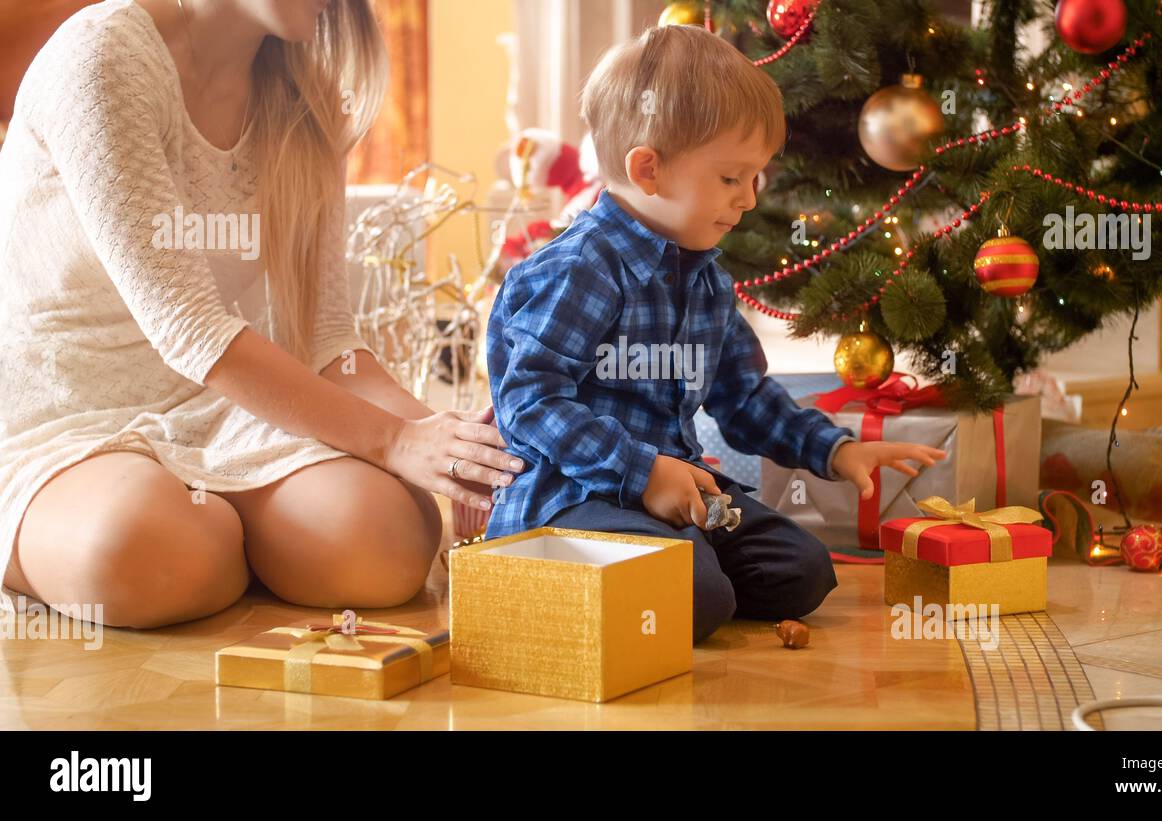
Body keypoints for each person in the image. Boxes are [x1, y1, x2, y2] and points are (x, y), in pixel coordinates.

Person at [0, 0, 521, 628]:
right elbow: (192, 331)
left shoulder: (307, 98)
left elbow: (329, 343)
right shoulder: (102, 56)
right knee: (147, 546)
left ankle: (216, 545)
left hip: (221, 409)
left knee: (387, 542)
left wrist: (457, 445)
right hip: (64, 419)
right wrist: (393, 442)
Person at [485, 24, 946, 643]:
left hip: (677, 490)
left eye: (757, 178)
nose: (749, 200)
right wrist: (642, 472)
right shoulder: (577, 269)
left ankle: (670, 571)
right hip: (574, 494)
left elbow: (745, 398)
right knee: (698, 593)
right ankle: (545, 581)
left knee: (802, 572)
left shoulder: (707, 280)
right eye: (732, 178)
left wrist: (834, 450)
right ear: (648, 169)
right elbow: (529, 402)